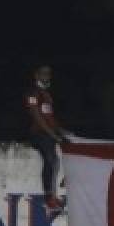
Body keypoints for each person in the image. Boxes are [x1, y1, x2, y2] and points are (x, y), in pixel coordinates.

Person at [24, 65, 71, 212]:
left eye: (49, 74)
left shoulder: (47, 95)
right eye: (43, 73)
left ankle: (55, 195)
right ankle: (48, 198)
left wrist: (62, 131)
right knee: (50, 160)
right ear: (36, 75)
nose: (47, 76)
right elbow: (37, 117)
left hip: (48, 134)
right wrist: (53, 135)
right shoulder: (33, 93)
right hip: (38, 134)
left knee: (56, 161)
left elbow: (50, 118)